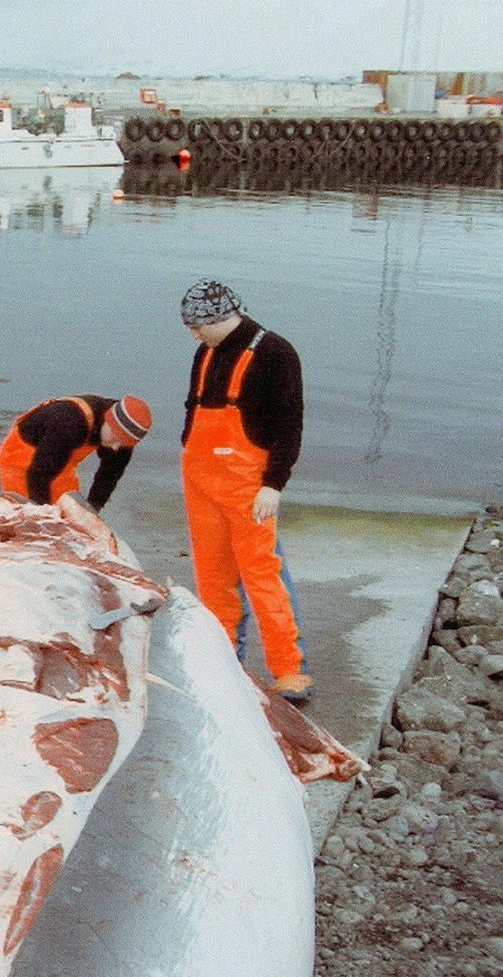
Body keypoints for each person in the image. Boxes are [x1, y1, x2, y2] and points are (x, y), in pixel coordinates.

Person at [178, 277, 312, 702]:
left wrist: (274, 484)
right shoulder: (206, 351)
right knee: (212, 578)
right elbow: (192, 408)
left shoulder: (275, 353)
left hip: (250, 487)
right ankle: (224, 661)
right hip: (201, 483)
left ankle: (290, 670)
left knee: (262, 574)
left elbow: (290, 425)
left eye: (197, 326)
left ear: (223, 318)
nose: (193, 334)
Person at [0, 394, 153, 510]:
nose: (115, 448)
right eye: (115, 438)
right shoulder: (71, 422)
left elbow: (108, 477)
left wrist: (92, 510)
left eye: (124, 444)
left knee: (70, 513)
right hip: (21, 459)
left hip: (61, 461)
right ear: (108, 420)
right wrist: (42, 517)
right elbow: (38, 475)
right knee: (27, 515)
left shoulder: (123, 437)